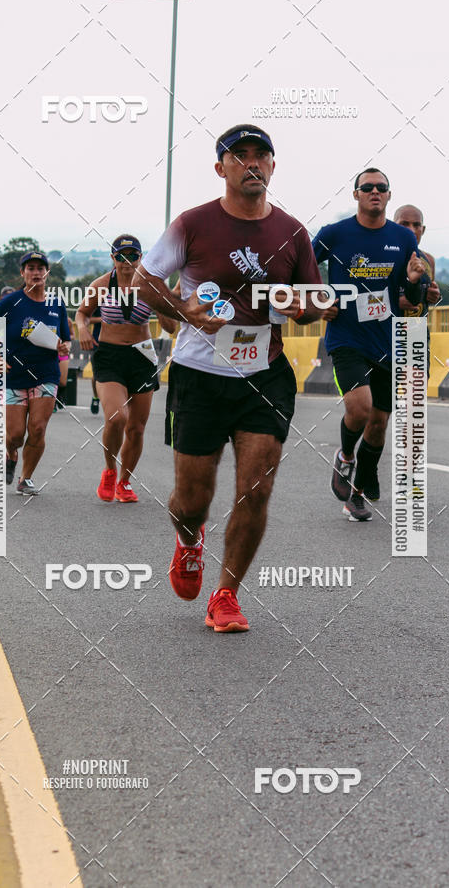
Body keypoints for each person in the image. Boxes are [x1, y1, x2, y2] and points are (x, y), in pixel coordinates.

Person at [133, 124, 322, 632]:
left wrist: (305, 309)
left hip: (265, 374)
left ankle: (226, 595)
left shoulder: (293, 231)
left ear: (273, 167)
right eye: (240, 156)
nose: (252, 163)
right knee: (192, 500)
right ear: (221, 168)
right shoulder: (193, 224)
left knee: (256, 488)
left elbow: (311, 302)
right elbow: (142, 281)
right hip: (199, 374)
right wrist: (186, 310)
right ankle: (189, 541)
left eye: (262, 155)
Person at [313, 168, 426, 521]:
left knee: (378, 423)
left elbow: (414, 297)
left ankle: (357, 496)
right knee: (359, 409)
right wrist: (319, 299)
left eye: (381, 188)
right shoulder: (335, 234)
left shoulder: (403, 240)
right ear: (356, 195)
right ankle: (345, 456)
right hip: (346, 337)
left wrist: (414, 282)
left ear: (388, 196)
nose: (374, 192)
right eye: (367, 187)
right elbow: (300, 268)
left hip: (388, 341)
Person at [76, 235, 177, 502]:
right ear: (113, 258)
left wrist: (159, 301)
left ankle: (124, 481)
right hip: (109, 355)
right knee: (117, 417)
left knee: (136, 428)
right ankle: (110, 470)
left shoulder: (150, 285)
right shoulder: (101, 284)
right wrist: (83, 329)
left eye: (133, 256)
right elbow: (82, 312)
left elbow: (170, 327)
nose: (127, 261)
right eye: (121, 256)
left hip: (141, 356)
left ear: (141, 258)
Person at [0, 251, 70, 495]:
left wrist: (65, 346)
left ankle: (26, 478)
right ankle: (10, 454)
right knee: (14, 436)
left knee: (38, 428)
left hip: (46, 374)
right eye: (30, 268)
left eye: (40, 268)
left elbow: (65, 338)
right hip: (15, 376)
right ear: (22, 273)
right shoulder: (11, 302)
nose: (36, 272)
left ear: (46, 273)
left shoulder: (56, 304)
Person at [393, 205, 440, 317]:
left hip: (418, 331)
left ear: (422, 230)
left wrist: (435, 296)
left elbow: (429, 297)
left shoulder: (428, 260)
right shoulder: (380, 256)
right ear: (393, 227)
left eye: (416, 225)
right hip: (385, 331)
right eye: (404, 224)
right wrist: (393, 302)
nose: (411, 230)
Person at [55, 316, 75, 412]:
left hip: (63, 351)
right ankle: (53, 401)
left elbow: (72, 336)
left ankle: (59, 395)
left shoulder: (68, 321)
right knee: (52, 378)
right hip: (51, 351)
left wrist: (64, 338)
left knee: (63, 381)